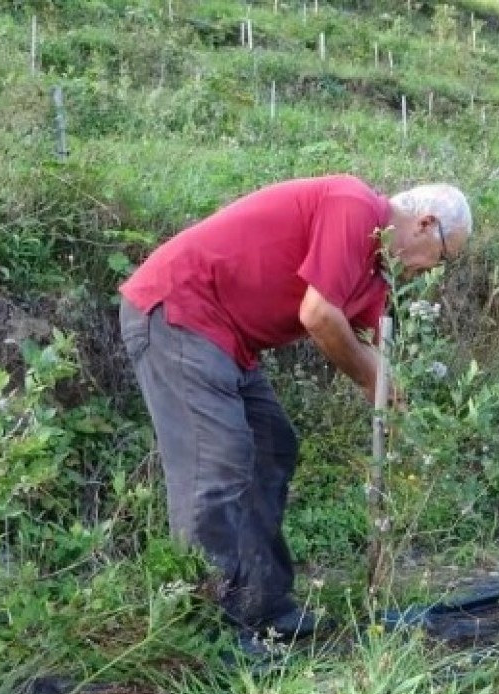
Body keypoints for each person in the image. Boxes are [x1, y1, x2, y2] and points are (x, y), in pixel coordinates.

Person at [118, 175, 472, 645]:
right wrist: (371, 379)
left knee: (273, 447)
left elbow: (372, 344)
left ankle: (262, 605)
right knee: (216, 463)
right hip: (179, 311)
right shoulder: (353, 207)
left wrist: (396, 396)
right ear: (426, 225)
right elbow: (320, 315)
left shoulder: (376, 269)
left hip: (229, 341)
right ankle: (203, 631)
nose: (434, 271)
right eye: (443, 258)